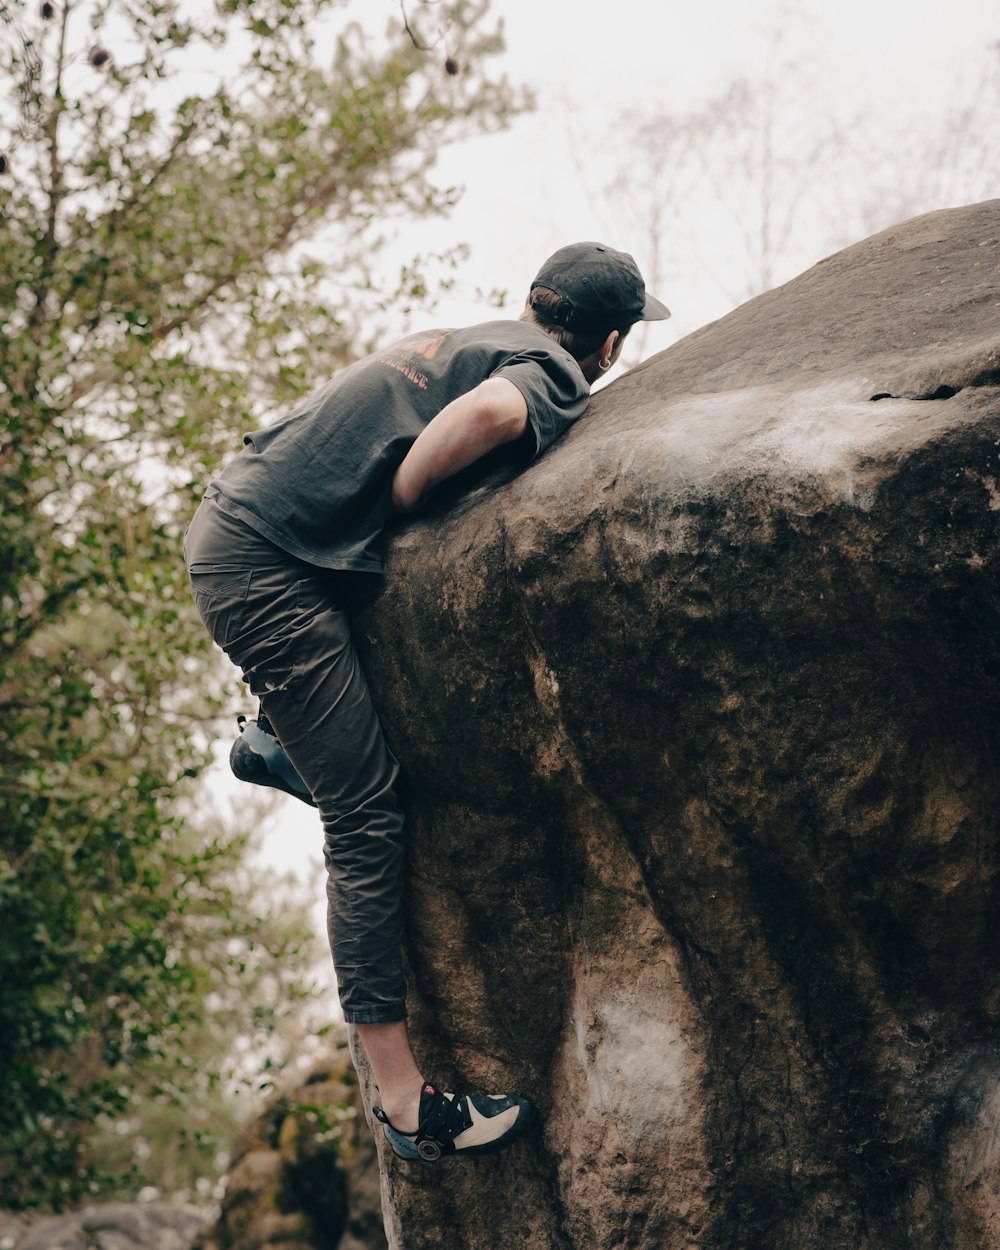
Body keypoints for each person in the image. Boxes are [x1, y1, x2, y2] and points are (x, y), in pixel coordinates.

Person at [183, 243, 669, 1163]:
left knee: (352, 720)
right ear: (610, 343)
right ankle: (409, 1110)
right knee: (364, 820)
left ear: (534, 301)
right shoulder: (555, 370)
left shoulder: (478, 335)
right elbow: (491, 415)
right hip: (267, 566)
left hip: (242, 519)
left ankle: (278, 739)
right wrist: (409, 494)